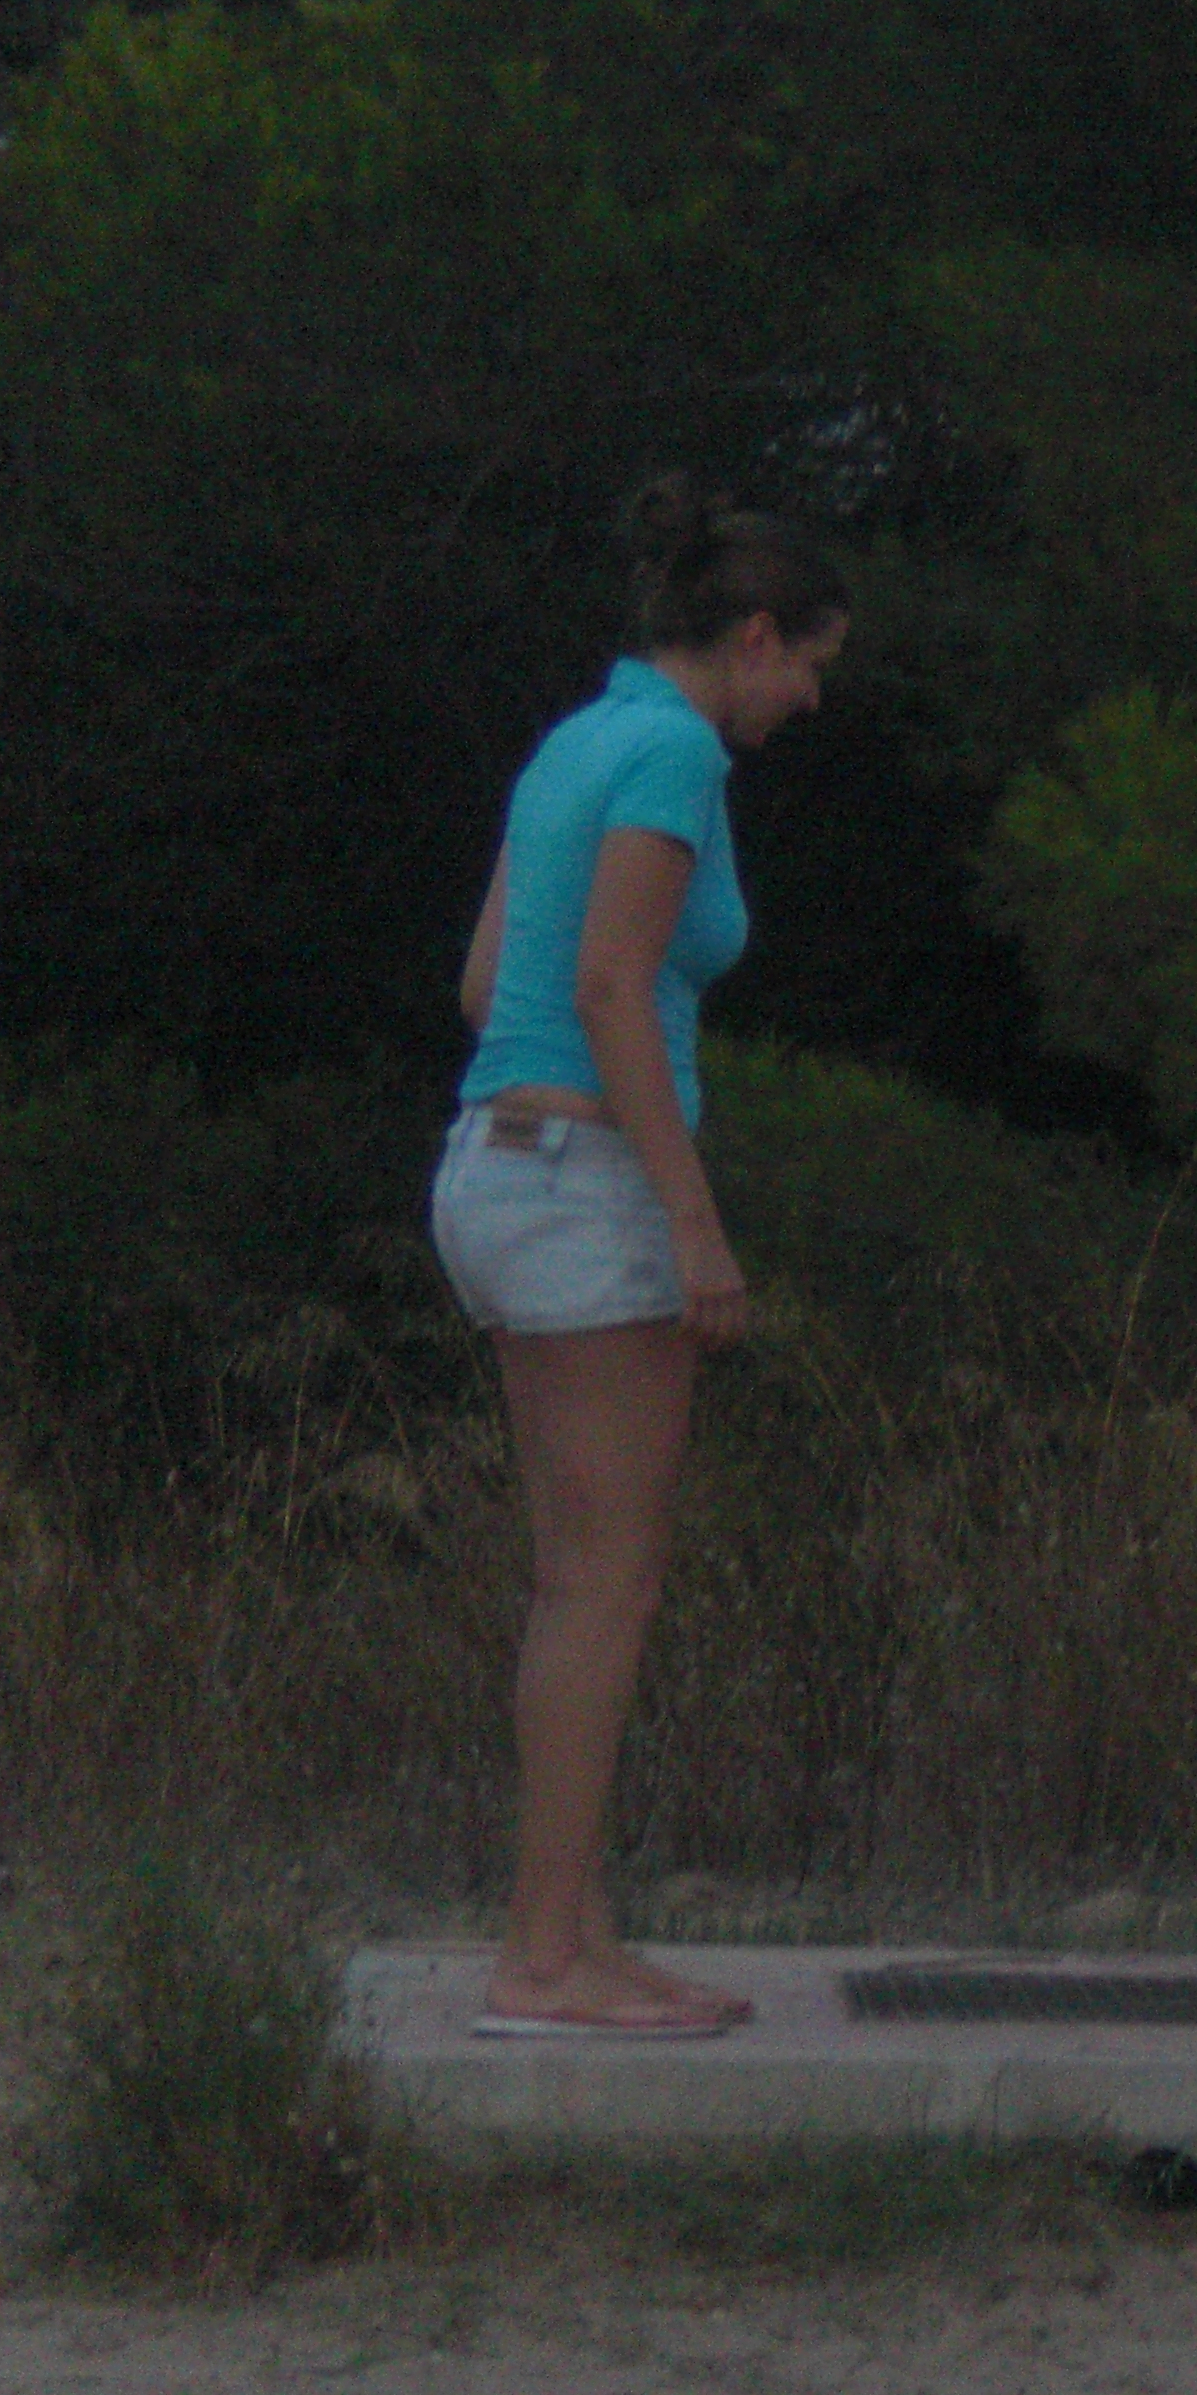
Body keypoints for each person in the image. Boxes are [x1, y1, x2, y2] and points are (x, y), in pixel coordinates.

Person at [428, 475, 846, 2038]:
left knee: (574, 1584)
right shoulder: (673, 751)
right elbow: (610, 986)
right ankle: (543, 1963)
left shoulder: (575, 740)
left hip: (492, 1166)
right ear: (755, 637)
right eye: (810, 663)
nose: (809, 698)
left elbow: (492, 984)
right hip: (586, 1182)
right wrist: (692, 1221)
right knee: (610, 1585)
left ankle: (575, 1934)